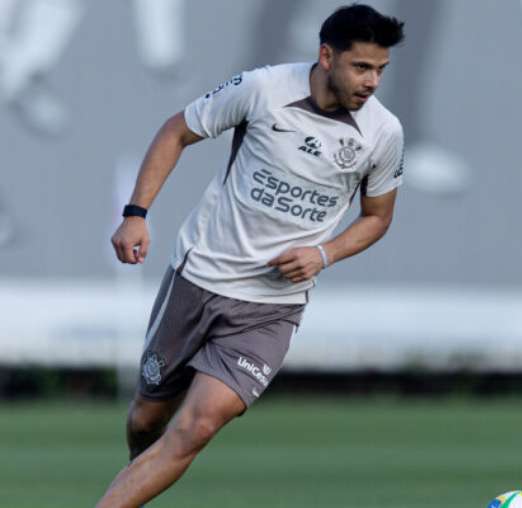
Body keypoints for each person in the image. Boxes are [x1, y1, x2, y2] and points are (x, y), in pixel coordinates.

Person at [96, 4, 405, 506]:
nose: (372, 82)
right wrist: (136, 213)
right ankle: (136, 485)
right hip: (199, 277)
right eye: (362, 67)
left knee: (197, 427)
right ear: (327, 56)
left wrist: (323, 253)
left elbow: (377, 217)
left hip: (271, 309)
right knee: (147, 419)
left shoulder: (383, 133)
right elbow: (177, 131)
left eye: (381, 70)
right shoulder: (264, 89)